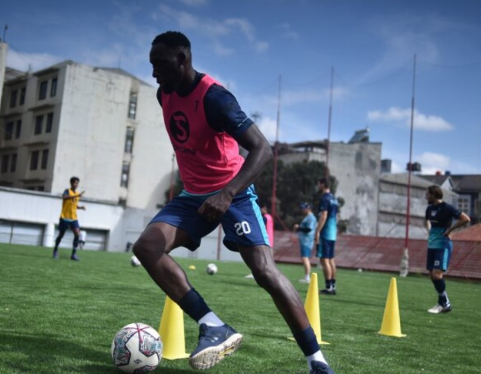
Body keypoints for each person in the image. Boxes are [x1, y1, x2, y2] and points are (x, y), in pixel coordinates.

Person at [133, 31, 334, 374]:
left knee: (264, 271)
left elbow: (262, 149)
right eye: (151, 65)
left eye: (161, 64)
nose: (155, 73)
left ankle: (316, 360)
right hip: (193, 195)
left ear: (183, 59)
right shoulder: (162, 94)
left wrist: (227, 193)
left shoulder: (215, 98)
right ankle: (213, 326)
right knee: (147, 247)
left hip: (233, 191)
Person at [424, 185, 470, 314]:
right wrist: (429, 231)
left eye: (428, 194)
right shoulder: (429, 208)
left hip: (443, 245)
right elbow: (426, 220)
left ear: (434, 194)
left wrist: (450, 230)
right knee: (431, 275)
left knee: (437, 274)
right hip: (432, 244)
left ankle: (444, 303)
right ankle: (443, 303)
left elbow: (466, 219)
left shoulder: (447, 208)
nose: (426, 196)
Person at [314, 177, 339, 295]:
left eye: (319, 183)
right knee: (331, 259)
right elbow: (337, 216)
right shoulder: (334, 198)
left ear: (323, 184)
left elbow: (324, 215)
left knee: (324, 260)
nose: (318, 186)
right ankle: (333, 286)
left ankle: (328, 287)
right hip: (333, 232)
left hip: (326, 232)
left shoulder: (324, 198)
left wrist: (318, 231)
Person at [52, 177, 86, 261]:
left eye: (77, 183)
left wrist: (80, 207)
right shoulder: (67, 191)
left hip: (74, 218)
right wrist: (76, 195)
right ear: (71, 183)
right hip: (64, 217)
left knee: (77, 234)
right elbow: (64, 198)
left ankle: (73, 254)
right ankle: (55, 251)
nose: (76, 184)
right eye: (74, 183)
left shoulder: (77, 194)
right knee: (61, 235)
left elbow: (73, 205)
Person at [245, 205, 273, 279]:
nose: (260, 210)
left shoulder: (265, 217)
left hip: (263, 239)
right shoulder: (269, 217)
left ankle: (255, 273)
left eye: (261, 208)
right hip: (269, 240)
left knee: (257, 257)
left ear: (264, 208)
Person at [294, 203, 317, 284]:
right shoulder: (307, 217)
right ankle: (306, 276)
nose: (302, 210)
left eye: (303, 208)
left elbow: (309, 229)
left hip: (307, 241)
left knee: (305, 258)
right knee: (304, 258)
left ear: (308, 209)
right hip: (304, 241)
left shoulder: (311, 218)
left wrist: (299, 227)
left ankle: (307, 277)